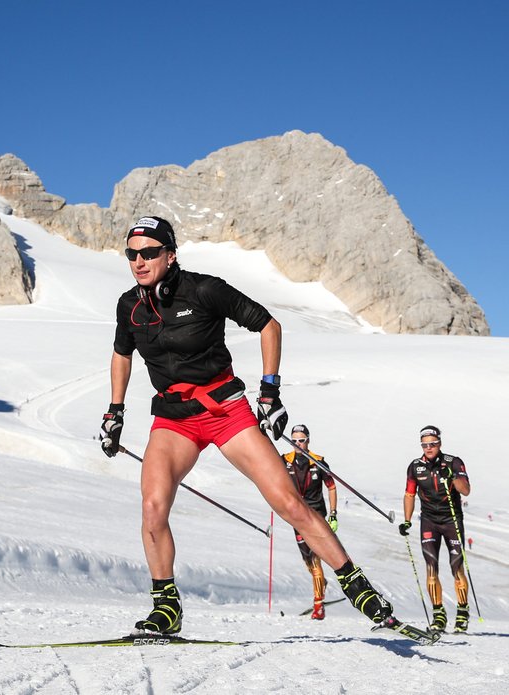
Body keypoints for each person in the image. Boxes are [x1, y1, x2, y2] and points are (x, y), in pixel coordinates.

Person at [99, 215, 392, 635]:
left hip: (225, 412)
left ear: (170, 254)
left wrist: (269, 391)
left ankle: (356, 585)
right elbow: (121, 353)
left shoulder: (205, 289)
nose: (140, 261)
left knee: (289, 503)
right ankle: (166, 607)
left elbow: (268, 324)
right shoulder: (129, 305)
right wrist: (115, 411)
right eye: (132, 254)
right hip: (174, 419)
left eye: (149, 253)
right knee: (152, 507)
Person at [399, 425, 471, 633]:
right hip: (429, 521)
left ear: (440, 443)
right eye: (425, 445)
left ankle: (462, 611)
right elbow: (409, 494)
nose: (429, 448)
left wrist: (452, 476)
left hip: (451, 520)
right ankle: (438, 614)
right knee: (431, 566)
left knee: (456, 566)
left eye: (433, 444)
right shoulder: (415, 467)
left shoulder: (453, 462)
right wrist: (406, 520)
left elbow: (465, 491)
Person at [281, 424, 338, 620]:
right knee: (307, 560)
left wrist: (333, 513)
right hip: (297, 516)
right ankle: (320, 584)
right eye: (294, 440)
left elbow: (331, 487)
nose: (297, 444)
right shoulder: (284, 461)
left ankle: (318, 605)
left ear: (308, 441)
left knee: (315, 559)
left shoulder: (319, 462)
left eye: (301, 440)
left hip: (316, 515)